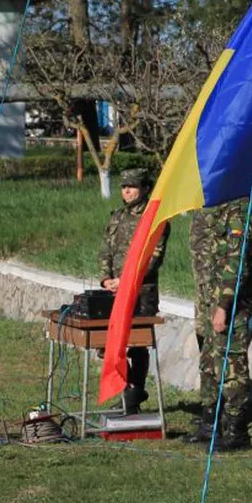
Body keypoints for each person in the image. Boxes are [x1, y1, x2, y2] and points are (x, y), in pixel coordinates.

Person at [185, 196, 252, 451]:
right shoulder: (220, 207)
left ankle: (236, 429)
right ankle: (211, 422)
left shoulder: (242, 210)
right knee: (209, 360)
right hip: (211, 300)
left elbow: (236, 263)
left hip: (232, 304)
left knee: (231, 364)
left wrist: (223, 306)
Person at [98, 167, 170, 415]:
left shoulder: (154, 218)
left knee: (137, 345)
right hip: (115, 291)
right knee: (106, 343)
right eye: (123, 187)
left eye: (133, 187)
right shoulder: (117, 216)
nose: (127, 191)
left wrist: (127, 281)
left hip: (141, 293)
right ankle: (131, 388)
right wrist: (106, 278)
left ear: (145, 189)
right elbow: (106, 249)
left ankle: (134, 393)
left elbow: (153, 259)